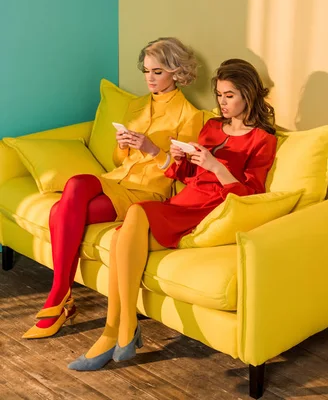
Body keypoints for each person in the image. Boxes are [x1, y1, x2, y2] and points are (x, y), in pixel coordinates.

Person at [67, 58, 277, 371]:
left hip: (209, 208)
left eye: (229, 95)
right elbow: (187, 177)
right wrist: (180, 157)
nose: (222, 102)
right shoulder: (212, 126)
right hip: (184, 202)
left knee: (135, 215)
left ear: (248, 95)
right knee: (121, 236)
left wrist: (215, 166)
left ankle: (121, 331)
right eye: (219, 95)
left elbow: (252, 195)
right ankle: (118, 330)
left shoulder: (263, 139)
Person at [23, 37, 203, 339]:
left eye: (157, 72)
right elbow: (118, 160)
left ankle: (59, 298)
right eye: (146, 71)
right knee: (76, 183)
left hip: (145, 193)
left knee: (59, 212)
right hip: (115, 180)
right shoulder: (136, 106)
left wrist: (151, 149)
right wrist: (122, 147)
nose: (150, 78)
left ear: (176, 71)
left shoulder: (190, 115)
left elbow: (185, 174)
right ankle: (61, 293)